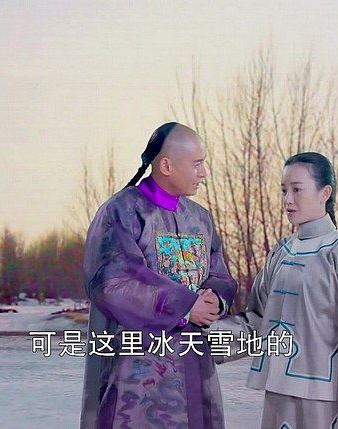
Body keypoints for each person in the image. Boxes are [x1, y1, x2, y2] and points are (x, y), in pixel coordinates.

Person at [81, 122, 238, 429]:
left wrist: (215, 299)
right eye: (197, 164)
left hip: (193, 366)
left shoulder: (200, 218)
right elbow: (113, 283)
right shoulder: (122, 212)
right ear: (166, 166)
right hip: (136, 376)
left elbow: (219, 273)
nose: (204, 173)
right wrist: (185, 307)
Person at [213, 152, 338, 429]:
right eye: (284, 191)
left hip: (323, 399)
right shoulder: (282, 252)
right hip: (277, 394)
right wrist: (198, 335)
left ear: (325, 193)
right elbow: (258, 322)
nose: (288, 200)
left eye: (297, 190)